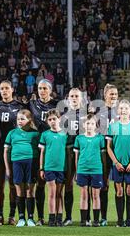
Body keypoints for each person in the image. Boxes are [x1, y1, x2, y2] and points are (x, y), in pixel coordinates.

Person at [0, 80, 25, 226]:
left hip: (14, 150)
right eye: (2, 89)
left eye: (7, 88)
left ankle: (12, 215)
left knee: (14, 184)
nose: (4, 91)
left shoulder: (19, 106)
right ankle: (0, 216)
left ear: (12, 89)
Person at [106, 100, 130, 227]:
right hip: (117, 164)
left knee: (129, 189)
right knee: (119, 191)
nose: (124, 110)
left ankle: (128, 220)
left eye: (126, 108)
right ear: (118, 111)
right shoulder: (113, 126)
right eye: (121, 108)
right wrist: (115, 162)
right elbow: (109, 147)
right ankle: (120, 220)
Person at [29, 79, 58, 225]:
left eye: (45, 88)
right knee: (39, 183)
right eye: (40, 88)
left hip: (53, 149)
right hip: (37, 148)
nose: (42, 91)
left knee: (57, 185)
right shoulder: (32, 104)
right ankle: (40, 217)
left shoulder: (57, 105)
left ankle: (59, 217)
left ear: (50, 90)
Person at [4, 110, 40, 227]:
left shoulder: (35, 133)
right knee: (19, 190)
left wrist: (40, 167)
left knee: (30, 189)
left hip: (31, 162)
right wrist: (8, 168)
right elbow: (6, 151)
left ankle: (30, 218)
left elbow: (41, 151)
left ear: (29, 120)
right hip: (17, 163)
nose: (20, 121)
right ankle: (21, 218)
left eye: (22, 119)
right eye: (18, 119)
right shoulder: (12, 133)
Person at [74, 114, 106, 227]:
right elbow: (76, 157)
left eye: (92, 123)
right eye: (87, 123)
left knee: (96, 195)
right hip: (82, 169)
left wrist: (104, 172)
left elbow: (103, 157)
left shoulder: (100, 138)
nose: (89, 126)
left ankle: (96, 221)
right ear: (83, 125)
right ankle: (83, 221)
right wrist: (76, 171)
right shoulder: (79, 138)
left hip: (96, 170)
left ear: (95, 125)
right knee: (83, 195)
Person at [60, 88, 87, 226]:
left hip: (85, 152)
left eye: (77, 96)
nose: (74, 98)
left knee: (87, 184)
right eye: (72, 96)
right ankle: (68, 216)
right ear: (68, 98)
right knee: (68, 184)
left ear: (81, 98)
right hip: (69, 152)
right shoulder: (63, 115)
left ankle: (87, 218)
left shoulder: (87, 115)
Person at [94, 84, 119, 226]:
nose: (113, 96)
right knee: (103, 184)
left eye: (115, 94)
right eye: (111, 94)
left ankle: (120, 217)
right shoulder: (98, 111)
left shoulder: (122, 111)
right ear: (105, 95)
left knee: (118, 185)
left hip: (118, 151)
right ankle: (103, 217)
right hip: (103, 151)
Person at [39, 109, 68, 227]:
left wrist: (69, 169)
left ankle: (59, 218)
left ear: (59, 119)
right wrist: (41, 168)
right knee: (52, 192)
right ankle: (51, 218)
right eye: (49, 120)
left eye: (54, 119)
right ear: (47, 121)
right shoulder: (45, 134)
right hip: (49, 167)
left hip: (61, 168)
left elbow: (69, 153)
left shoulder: (65, 134)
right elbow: (42, 152)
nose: (52, 121)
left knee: (59, 194)